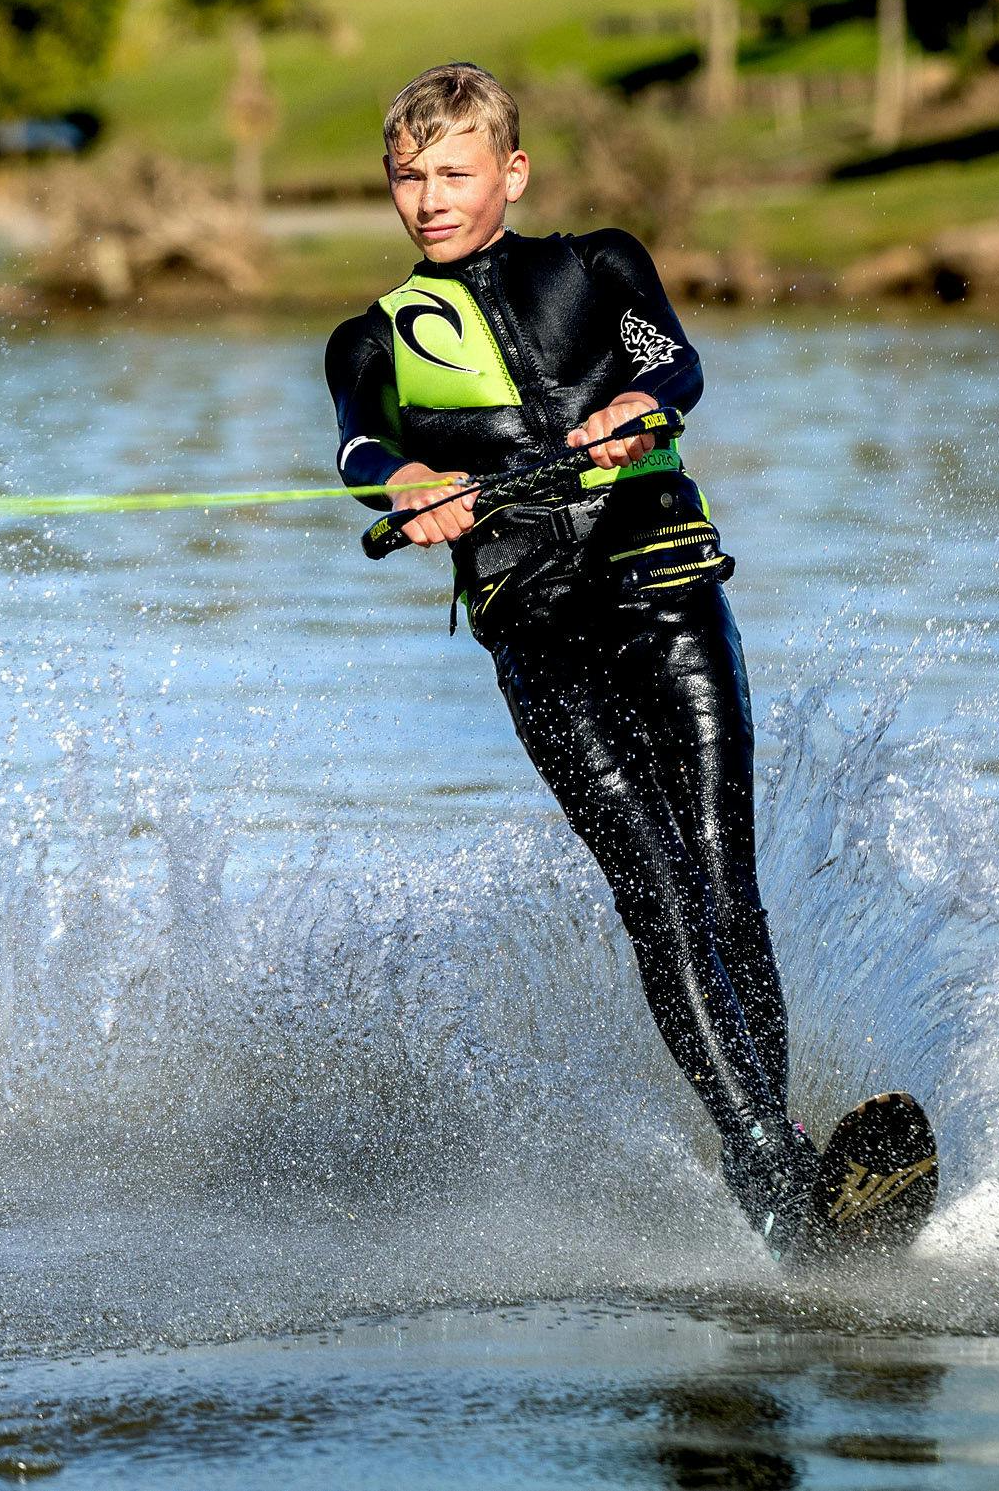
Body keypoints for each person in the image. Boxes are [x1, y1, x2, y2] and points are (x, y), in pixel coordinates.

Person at [325, 61, 825, 1258]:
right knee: (653, 894)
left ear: (513, 169)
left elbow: (674, 362)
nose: (429, 197)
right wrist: (410, 485)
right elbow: (356, 444)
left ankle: (776, 1140)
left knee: (718, 872)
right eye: (408, 176)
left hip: (664, 590)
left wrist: (644, 407)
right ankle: (764, 1159)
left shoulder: (599, 264)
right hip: (539, 631)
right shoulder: (371, 340)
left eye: (453, 172)